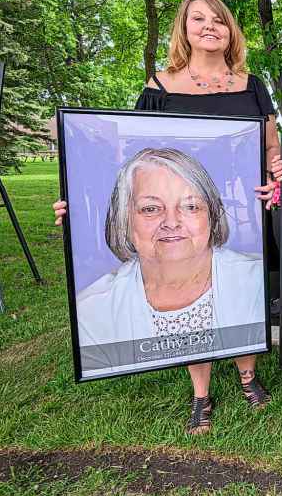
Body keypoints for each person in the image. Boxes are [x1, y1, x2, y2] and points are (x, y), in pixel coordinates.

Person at [54, 0, 282, 434]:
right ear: (184, 29)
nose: (210, 26)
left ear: (230, 31)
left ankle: (248, 375)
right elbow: (129, 155)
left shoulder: (251, 85)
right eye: (199, 19)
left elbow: (271, 145)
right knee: (184, 284)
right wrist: (79, 206)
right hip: (177, 211)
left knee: (240, 290)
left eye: (219, 19)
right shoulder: (159, 87)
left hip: (242, 211)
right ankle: (201, 393)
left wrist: (274, 168)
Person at [77, 148, 266, 377]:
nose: (172, 222)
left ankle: (247, 380)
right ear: (124, 220)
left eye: (190, 207)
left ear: (212, 215)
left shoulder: (258, 281)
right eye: (150, 209)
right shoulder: (92, 311)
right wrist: (73, 221)